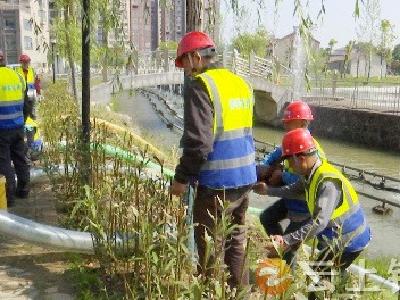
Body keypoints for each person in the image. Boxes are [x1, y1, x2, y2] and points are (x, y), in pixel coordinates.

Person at [169, 31, 257, 288]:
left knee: (209, 248)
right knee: (236, 243)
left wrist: (181, 178)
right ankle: (238, 293)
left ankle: (209, 293)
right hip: (244, 180)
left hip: (217, 184)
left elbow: (199, 144)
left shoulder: (200, 85)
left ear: (195, 57)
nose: (185, 72)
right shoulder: (239, 82)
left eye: (184, 64)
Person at [254, 129, 371, 297]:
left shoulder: (327, 182)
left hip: (349, 241)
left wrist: (286, 240)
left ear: (301, 158)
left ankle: (342, 290)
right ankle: (343, 288)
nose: (290, 168)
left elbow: (318, 223)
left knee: (316, 280)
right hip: (337, 237)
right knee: (324, 275)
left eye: (290, 162)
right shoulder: (312, 173)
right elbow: (295, 189)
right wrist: (268, 191)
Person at [258, 100, 325, 265]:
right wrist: (265, 168)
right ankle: (279, 247)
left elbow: (302, 183)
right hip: (290, 201)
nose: (286, 126)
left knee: (288, 248)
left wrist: (281, 177)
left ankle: (287, 281)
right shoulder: (289, 141)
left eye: (289, 123)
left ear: (303, 123)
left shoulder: (311, 149)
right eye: (285, 123)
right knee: (267, 217)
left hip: (304, 207)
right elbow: (273, 157)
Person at [0, 50, 30, 206]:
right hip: (18, 126)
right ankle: (24, 190)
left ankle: (9, 198)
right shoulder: (17, 76)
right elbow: (26, 103)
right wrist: (22, 120)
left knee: (4, 163)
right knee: (20, 158)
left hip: (2, 130)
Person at [16, 54, 39, 121]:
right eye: (24, 62)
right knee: (24, 105)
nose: (25, 63)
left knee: (32, 104)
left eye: (27, 62)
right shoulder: (17, 70)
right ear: (21, 62)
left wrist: (37, 89)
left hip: (31, 89)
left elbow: (36, 80)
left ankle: (32, 117)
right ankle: (24, 118)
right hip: (22, 90)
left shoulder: (32, 70)